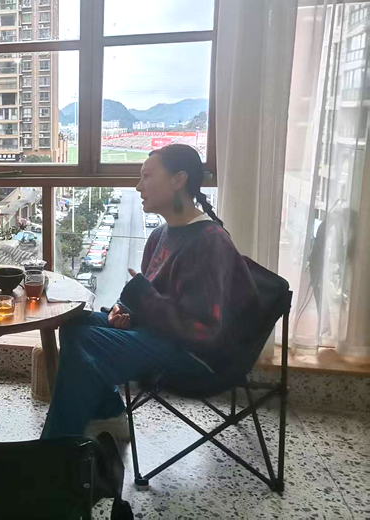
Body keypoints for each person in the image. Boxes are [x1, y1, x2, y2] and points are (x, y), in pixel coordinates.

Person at [42, 144, 258, 442]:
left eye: (147, 176)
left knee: (88, 341)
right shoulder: (159, 235)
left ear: (178, 180)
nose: (138, 186)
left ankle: (58, 447)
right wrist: (126, 313)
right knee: (74, 322)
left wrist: (142, 299)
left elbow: (202, 331)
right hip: (163, 336)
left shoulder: (210, 242)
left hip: (198, 356)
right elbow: (155, 305)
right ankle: (107, 415)